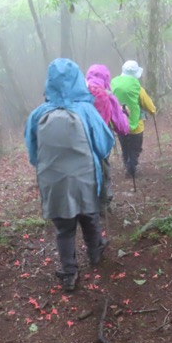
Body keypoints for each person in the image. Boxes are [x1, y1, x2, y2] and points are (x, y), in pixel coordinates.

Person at [25, 58, 114, 292]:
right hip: (85, 178)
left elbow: (33, 153)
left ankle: (69, 273)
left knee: (64, 229)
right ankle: (95, 253)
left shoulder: (37, 115)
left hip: (53, 181)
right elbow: (104, 144)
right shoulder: (86, 110)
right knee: (90, 217)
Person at [86, 64, 129, 210]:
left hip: (81, 140)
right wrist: (124, 114)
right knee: (103, 168)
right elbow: (122, 127)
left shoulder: (79, 93)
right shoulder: (107, 95)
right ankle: (104, 203)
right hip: (101, 140)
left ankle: (88, 203)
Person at [110, 60, 156, 178]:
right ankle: (131, 168)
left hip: (119, 125)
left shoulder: (113, 84)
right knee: (135, 149)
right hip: (136, 126)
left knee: (125, 147)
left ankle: (127, 165)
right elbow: (147, 104)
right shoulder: (138, 88)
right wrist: (152, 110)